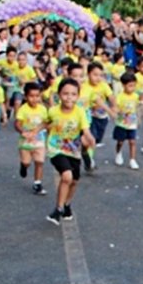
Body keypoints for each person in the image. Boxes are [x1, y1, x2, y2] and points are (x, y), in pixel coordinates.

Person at [45, 78, 93, 225]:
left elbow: (85, 130)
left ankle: (67, 204)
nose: (69, 97)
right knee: (67, 176)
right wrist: (33, 132)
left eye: (73, 94)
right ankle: (58, 209)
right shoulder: (53, 111)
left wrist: (90, 139)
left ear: (78, 96)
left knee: (74, 181)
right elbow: (46, 123)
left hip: (73, 150)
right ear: (59, 95)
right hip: (56, 149)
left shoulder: (80, 112)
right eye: (65, 94)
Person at [15, 82, 49, 195]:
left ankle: (37, 183)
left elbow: (46, 122)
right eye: (31, 96)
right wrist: (23, 131)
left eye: (37, 96)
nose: (34, 99)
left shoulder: (43, 109)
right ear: (26, 96)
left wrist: (44, 130)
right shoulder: (23, 109)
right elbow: (17, 123)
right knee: (27, 162)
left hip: (39, 140)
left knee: (40, 161)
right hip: (25, 142)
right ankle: (23, 166)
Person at [113, 72, 141, 170]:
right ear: (123, 85)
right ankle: (118, 153)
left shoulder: (136, 96)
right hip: (121, 123)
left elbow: (137, 106)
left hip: (132, 123)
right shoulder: (120, 96)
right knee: (120, 141)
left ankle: (132, 160)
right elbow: (116, 107)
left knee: (132, 141)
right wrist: (117, 111)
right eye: (130, 86)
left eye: (134, 85)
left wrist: (139, 118)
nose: (132, 88)